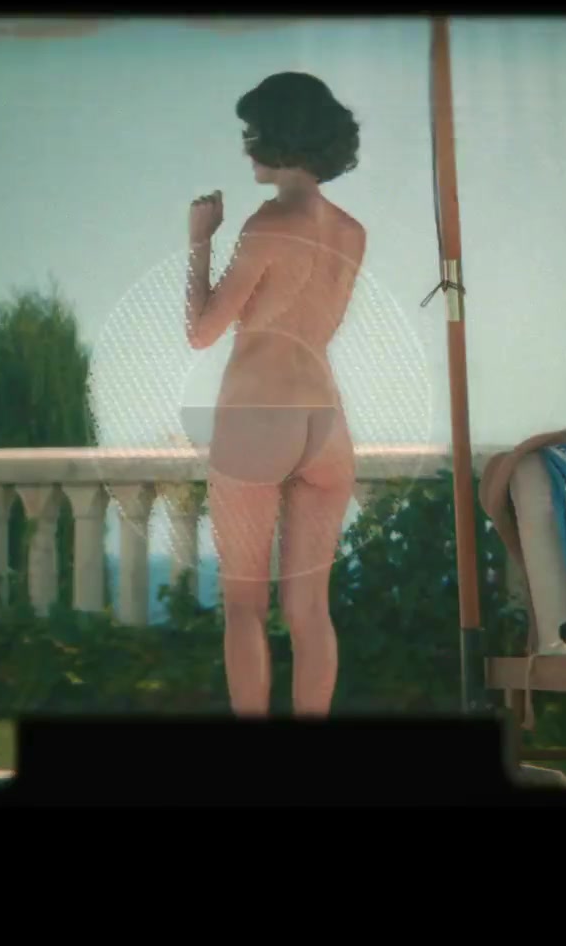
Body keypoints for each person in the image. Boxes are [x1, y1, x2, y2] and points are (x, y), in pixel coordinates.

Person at [184, 72, 366, 718]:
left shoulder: (267, 224)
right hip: (325, 421)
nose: (247, 147)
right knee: (310, 608)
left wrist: (200, 241)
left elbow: (203, 332)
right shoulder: (352, 231)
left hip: (259, 416)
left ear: (281, 136)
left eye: (253, 132)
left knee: (244, 605)